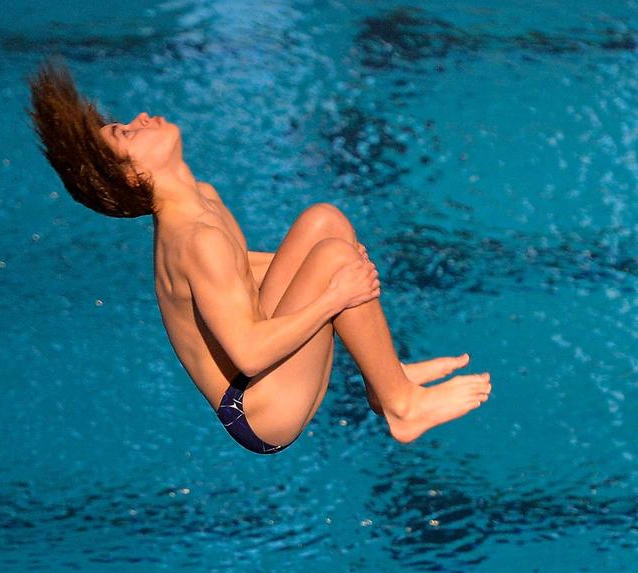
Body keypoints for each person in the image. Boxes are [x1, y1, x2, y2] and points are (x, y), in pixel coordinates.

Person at [27, 59, 491, 454]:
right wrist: (335, 295)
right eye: (128, 133)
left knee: (325, 224)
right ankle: (402, 408)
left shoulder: (200, 199)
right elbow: (248, 354)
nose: (143, 116)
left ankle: (384, 382)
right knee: (332, 257)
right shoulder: (193, 239)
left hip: (262, 376)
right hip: (256, 408)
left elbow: (245, 272)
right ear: (135, 177)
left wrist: (336, 271)